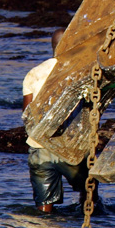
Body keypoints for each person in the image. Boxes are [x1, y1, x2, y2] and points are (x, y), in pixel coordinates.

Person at [22, 28, 98, 213]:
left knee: (44, 208)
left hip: (39, 147)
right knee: (89, 192)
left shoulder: (33, 73)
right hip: (70, 149)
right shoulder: (80, 72)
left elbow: (27, 112)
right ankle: (89, 223)